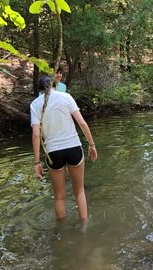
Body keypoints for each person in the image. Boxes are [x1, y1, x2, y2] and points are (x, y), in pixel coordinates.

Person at [30, 75, 97, 230]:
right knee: (79, 190)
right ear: (54, 84)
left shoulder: (35, 104)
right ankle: (84, 227)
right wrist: (91, 144)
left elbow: (35, 135)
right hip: (73, 147)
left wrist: (37, 162)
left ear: (40, 89)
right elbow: (82, 122)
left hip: (53, 153)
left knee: (59, 196)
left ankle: (61, 231)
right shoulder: (65, 97)